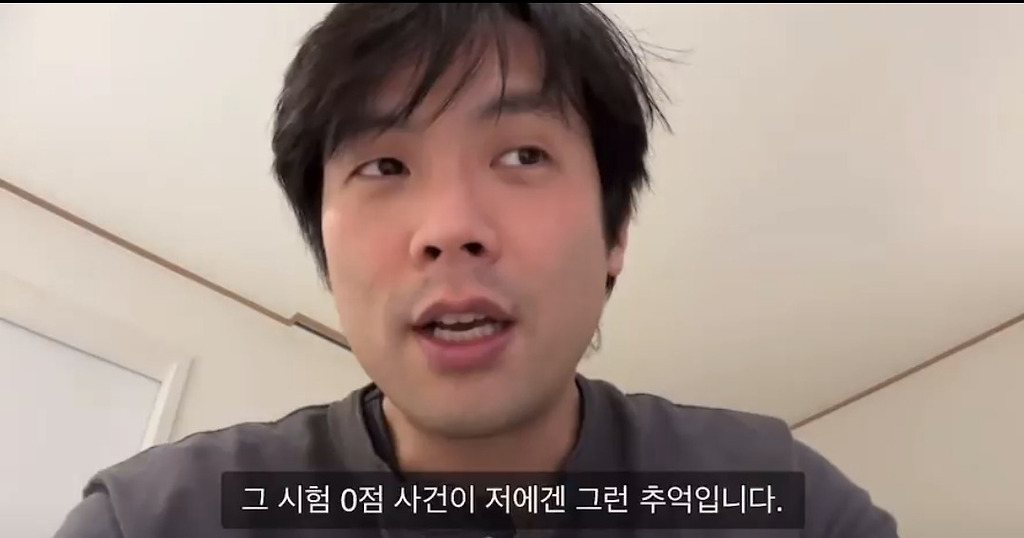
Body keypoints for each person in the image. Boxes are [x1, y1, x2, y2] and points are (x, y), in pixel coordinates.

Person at [55, 4, 899, 537]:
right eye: (384, 166)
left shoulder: (774, 498)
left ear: (615, 232)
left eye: (523, 154)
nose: (451, 229)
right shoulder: (162, 519)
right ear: (325, 248)